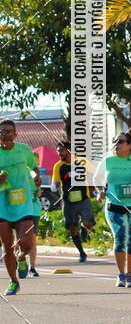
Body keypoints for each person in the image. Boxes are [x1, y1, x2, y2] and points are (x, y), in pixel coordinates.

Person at [93, 132, 131, 288]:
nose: (116, 144)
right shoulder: (107, 161)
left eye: (120, 141)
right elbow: (96, 179)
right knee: (120, 237)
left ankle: (129, 274)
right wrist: (100, 190)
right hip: (114, 206)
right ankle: (120, 274)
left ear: (130, 145)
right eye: (114, 142)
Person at [0, 119, 42, 295]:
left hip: (23, 202)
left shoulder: (24, 149)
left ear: (15, 135)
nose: (6, 135)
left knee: (26, 243)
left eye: (9, 131)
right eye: (2, 131)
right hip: (3, 203)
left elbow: (34, 168)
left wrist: (36, 178)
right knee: (7, 246)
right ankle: (13, 281)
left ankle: (23, 256)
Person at [51, 140, 95, 263]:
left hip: (83, 198)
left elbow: (95, 172)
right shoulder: (58, 166)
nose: (59, 153)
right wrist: (56, 185)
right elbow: (53, 187)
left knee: (88, 223)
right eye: (58, 151)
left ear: (69, 150)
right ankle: (82, 253)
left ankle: (84, 227)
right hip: (68, 201)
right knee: (72, 228)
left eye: (62, 150)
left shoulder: (81, 162)